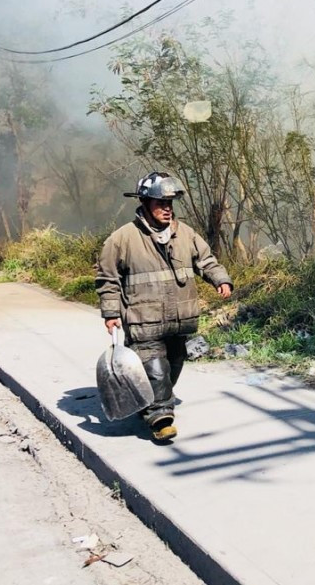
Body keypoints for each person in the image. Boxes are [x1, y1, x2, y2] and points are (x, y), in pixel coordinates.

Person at [95, 172, 233, 441]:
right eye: (161, 203)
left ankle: (146, 400)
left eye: (170, 204)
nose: (167, 209)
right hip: (143, 320)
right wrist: (111, 312)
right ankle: (160, 419)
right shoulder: (122, 239)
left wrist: (221, 280)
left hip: (179, 321)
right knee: (157, 370)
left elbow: (206, 261)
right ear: (145, 203)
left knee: (173, 366)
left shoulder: (186, 234)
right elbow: (107, 279)